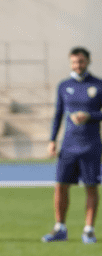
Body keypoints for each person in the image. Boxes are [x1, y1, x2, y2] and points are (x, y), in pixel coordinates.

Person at [44, 46, 102, 243]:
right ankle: (60, 228)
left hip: (91, 145)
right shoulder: (63, 86)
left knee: (91, 186)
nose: (78, 65)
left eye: (81, 61)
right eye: (74, 62)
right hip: (68, 145)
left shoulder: (98, 85)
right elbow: (58, 115)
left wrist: (90, 116)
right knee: (60, 185)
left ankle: (88, 230)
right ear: (70, 63)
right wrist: (52, 140)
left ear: (88, 61)